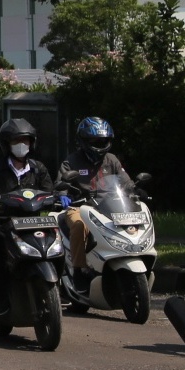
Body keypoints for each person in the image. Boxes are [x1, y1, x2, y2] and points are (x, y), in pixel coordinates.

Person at [0, 118, 59, 319]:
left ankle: (60, 285)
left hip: (33, 223)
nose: (22, 145)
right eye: (16, 140)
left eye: (26, 140)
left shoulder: (38, 169)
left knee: (58, 244)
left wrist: (60, 197)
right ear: (6, 143)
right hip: (2, 222)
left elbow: (50, 190)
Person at [59, 117, 131, 280]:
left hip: (109, 207)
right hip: (80, 207)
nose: (99, 143)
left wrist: (135, 189)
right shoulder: (71, 161)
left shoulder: (112, 160)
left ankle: (120, 259)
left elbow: (126, 181)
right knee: (78, 226)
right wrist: (63, 195)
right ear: (83, 141)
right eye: (94, 140)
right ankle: (79, 269)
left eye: (103, 140)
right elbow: (61, 183)